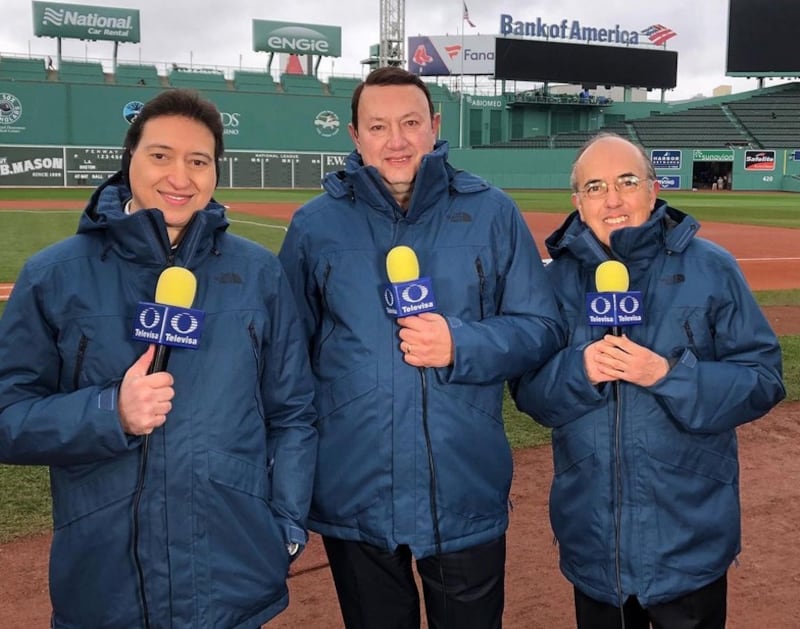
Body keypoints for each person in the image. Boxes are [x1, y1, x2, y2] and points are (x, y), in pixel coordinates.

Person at [0, 89, 318, 628]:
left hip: (232, 579)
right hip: (106, 588)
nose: (180, 176)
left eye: (199, 161)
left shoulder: (261, 274)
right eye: (161, 155)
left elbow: (293, 412)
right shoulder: (53, 276)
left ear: (216, 172)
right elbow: (8, 416)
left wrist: (285, 524)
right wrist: (110, 413)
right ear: (130, 160)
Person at [277, 66, 565, 629]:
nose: (397, 139)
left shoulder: (493, 212)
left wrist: (462, 342)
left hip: (465, 484)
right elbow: (289, 357)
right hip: (353, 486)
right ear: (355, 136)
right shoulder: (313, 226)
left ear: (434, 126)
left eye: (410, 122)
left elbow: (542, 326)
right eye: (378, 126)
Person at [512, 133, 785, 629]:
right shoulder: (549, 282)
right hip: (594, 542)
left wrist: (667, 375)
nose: (612, 199)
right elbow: (529, 395)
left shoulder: (712, 268)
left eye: (627, 182)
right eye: (594, 187)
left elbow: (763, 379)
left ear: (654, 190)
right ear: (577, 201)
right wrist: (581, 370)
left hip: (689, 542)